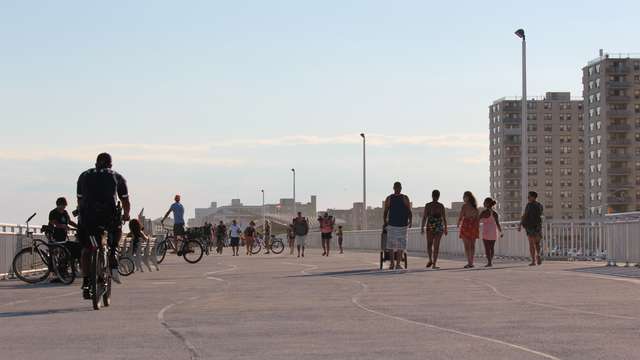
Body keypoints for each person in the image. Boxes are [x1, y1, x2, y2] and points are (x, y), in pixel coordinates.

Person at [77, 153, 130, 299]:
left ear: (95, 163)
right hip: (108, 216)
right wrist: (126, 214)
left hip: (88, 218)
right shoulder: (116, 176)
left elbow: (80, 200)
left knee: (87, 249)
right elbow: (125, 200)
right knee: (114, 234)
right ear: (110, 165)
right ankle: (113, 252)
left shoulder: (84, 176)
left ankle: (87, 282)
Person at [383, 182, 412, 270]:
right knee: (393, 245)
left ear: (400, 188)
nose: (397, 189)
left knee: (400, 245)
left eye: (398, 187)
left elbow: (409, 210)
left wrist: (410, 221)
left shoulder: (404, 197)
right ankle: (393, 264)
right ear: (394, 188)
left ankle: (397, 264)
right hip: (393, 224)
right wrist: (385, 221)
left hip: (402, 225)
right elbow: (386, 211)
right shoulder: (390, 198)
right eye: (397, 187)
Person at [421, 190, 447, 270]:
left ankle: (431, 260)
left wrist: (422, 227)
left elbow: (425, 217)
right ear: (438, 196)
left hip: (431, 226)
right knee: (436, 245)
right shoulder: (440, 206)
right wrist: (446, 228)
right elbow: (444, 218)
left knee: (430, 244)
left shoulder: (428, 205)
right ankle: (434, 263)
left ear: (432, 195)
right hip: (438, 226)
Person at [519, 191, 544, 266]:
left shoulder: (529, 205)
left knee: (531, 243)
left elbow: (525, 215)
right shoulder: (540, 205)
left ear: (533, 197)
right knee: (537, 243)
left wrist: (520, 224)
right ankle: (538, 255)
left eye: (529, 196)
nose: (528, 198)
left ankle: (533, 260)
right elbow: (540, 214)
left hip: (530, 226)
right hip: (538, 226)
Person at [458, 191, 479, 269]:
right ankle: (471, 262)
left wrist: (458, 223)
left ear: (468, 197)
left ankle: (470, 262)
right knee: (471, 245)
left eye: (465, 196)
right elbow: (477, 218)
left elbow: (461, 216)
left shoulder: (465, 206)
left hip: (467, 225)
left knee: (468, 245)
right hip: (473, 225)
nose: (463, 198)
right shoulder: (475, 206)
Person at [479, 197, 502, 267]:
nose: (483, 203)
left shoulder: (483, 212)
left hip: (486, 231)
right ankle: (490, 261)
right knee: (492, 248)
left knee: (487, 248)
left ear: (487, 203)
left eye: (484, 202)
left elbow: (477, 220)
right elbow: (498, 223)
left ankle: (489, 262)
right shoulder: (495, 213)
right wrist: (501, 232)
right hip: (493, 231)